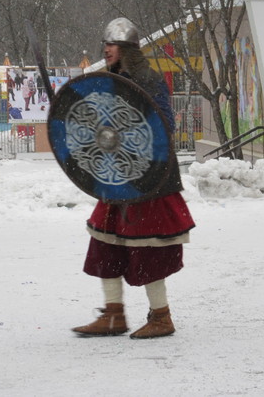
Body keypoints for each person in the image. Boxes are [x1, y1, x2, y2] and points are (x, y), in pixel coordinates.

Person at [72, 17, 195, 339]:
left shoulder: (148, 80)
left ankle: (161, 316)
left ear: (127, 49)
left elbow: (163, 126)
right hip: (115, 178)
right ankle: (113, 314)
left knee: (148, 250)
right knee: (104, 243)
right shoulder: (108, 80)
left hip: (147, 180)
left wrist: (129, 141)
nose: (106, 49)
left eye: (112, 45)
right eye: (106, 44)